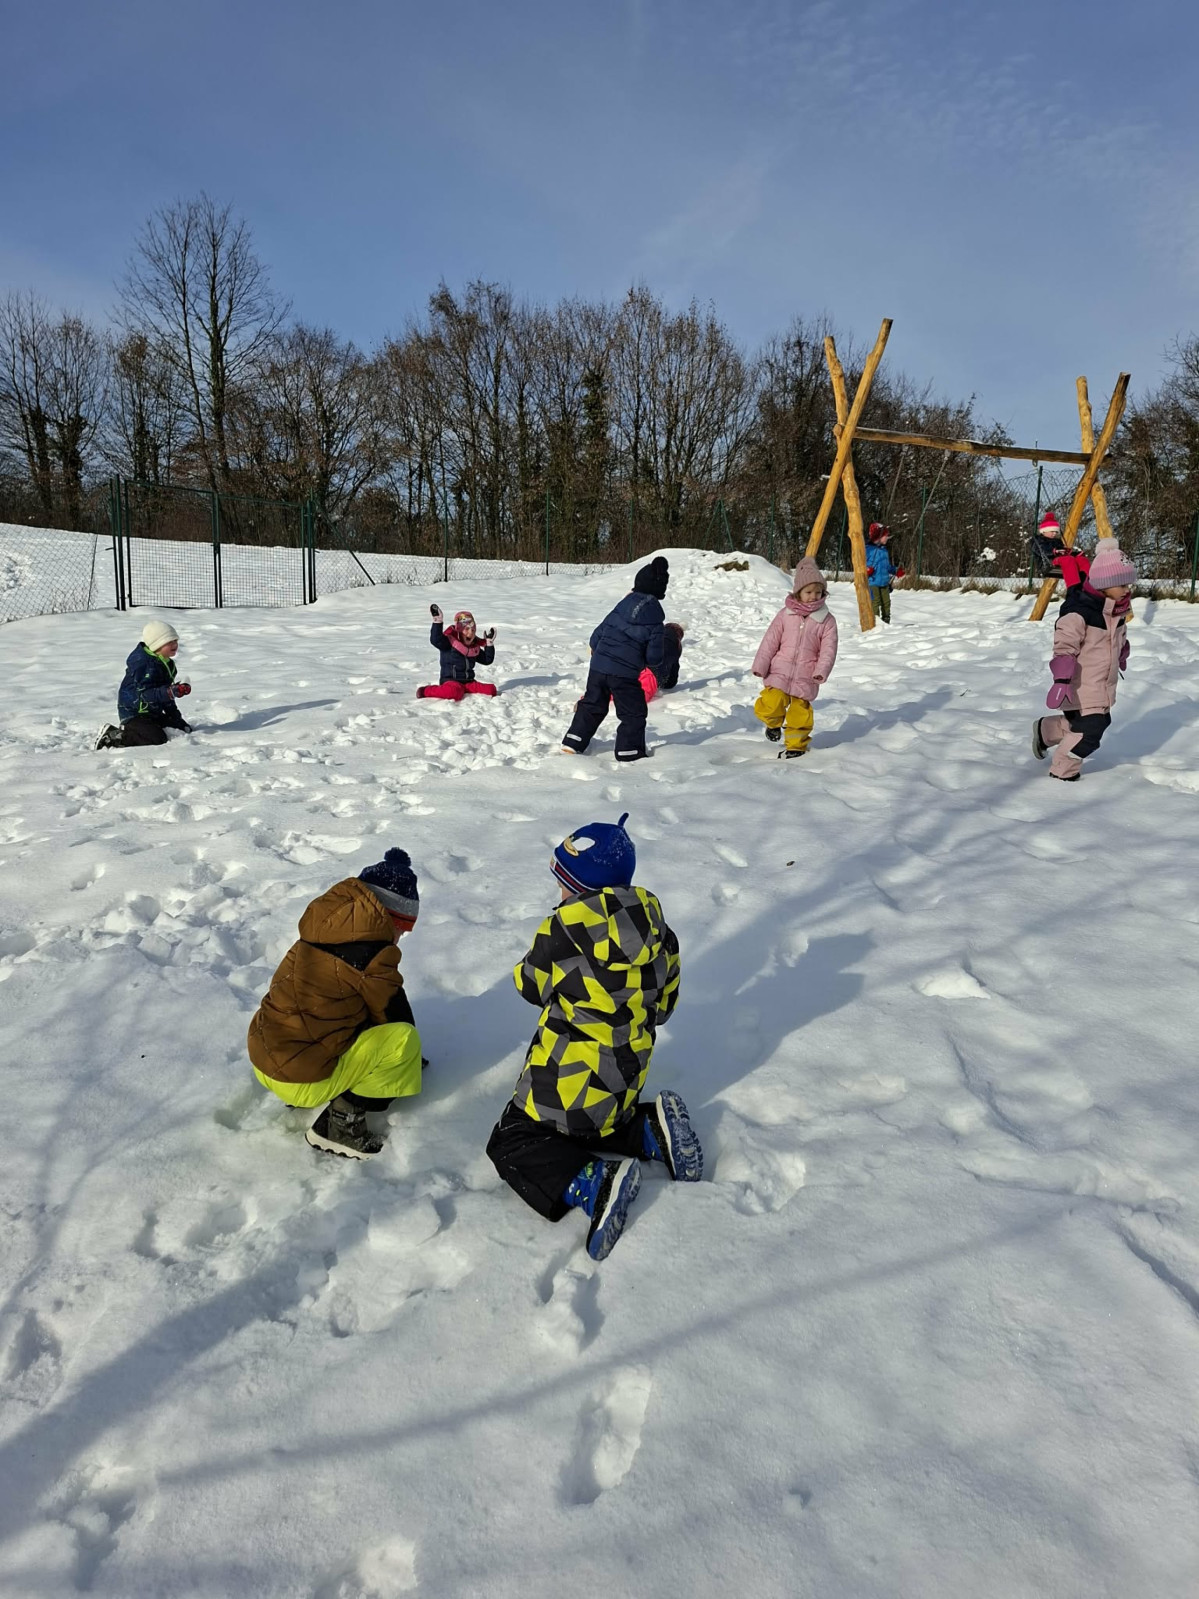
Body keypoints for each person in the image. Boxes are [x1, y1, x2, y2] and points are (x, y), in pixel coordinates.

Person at [486, 812, 701, 1260]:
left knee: (512, 1141)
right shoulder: (661, 934)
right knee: (599, 1120)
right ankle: (648, 1131)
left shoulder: (563, 932)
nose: (560, 895)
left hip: (566, 1081)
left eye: (564, 886)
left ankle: (594, 1182)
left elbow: (529, 986)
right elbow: (664, 1008)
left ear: (582, 888)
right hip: (625, 1080)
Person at [247, 848, 424, 1158]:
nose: (400, 937)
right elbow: (395, 1016)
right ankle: (341, 1123)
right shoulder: (372, 955)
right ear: (388, 917)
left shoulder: (318, 933)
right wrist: (406, 1061)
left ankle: (307, 1085)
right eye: (402, 928)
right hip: (301, 1081)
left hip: (264, 1061)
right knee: (403, 1040)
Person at [1033, 536, 1135, 782]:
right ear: (1104, 584)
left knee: (1090, 722)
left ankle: (1046, 730)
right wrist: (1061, 679)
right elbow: (1064, 645)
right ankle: (1062, 772)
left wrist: (1122, 651)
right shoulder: (1079, 612)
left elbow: (1117, 638)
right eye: (1122, 584)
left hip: (1101, 684)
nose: (1127, 589)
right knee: (1089, 731)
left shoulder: (1116, 610)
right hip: (1080, 684)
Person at [561, 556, 669, 761]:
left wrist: (599, 652)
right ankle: (629, 750)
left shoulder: (619, 608)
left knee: (592, 704)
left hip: (598, 668)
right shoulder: (655, 621)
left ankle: (573, 741)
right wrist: (645, 662)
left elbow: (596, 636)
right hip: (625, 675)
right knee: (632, 712)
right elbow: (654, 657)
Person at [751, 556, 839, 758]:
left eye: (818, 592)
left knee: (801, 714)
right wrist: (760, 665)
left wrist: (821, 671)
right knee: (772, 702)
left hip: (806, 675)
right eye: (808, 592)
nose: (813, 596)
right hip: (779, 669)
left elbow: (829, 649)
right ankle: (773, 724)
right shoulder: (785, 614)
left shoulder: (826, 620)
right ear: (798, 593)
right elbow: (770, 640)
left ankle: (796, 746)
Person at [95, 619, 192, 748]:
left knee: (179, 728)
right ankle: (114, 737)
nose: (175, 644)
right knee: (157, 738)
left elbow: (165, 695)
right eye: (169, 642)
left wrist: (175, 718)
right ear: (157, 644)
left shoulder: (167, 664)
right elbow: (146, 694)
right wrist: (169, 692)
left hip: (152, 712)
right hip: (134, 713)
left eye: (175, 640)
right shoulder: (144, 664)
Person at [417, 606, 497, 700]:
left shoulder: (474, 647)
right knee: (454, 692)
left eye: (473, 630)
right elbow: (436, 640)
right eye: (466, 629)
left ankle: (463, 689)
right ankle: (425, 691)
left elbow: (487, 660)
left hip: (469, 682)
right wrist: (437, 621)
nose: (470, 633)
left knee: (491, 690)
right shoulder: (449, 642)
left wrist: (489, 644)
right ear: (459, 630)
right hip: (451, 682)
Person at [865, 523, 902, 623]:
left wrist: (895, 570)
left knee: (886, 603)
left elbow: (886, 566)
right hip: (872, 582)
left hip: (885, 582)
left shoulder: (884, 551)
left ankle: (886, 622)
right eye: (885, 536)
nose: (887, 538)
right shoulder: (868, 550)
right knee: (875, 602)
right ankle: (875, 623)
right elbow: (861, 564)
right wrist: (866, 570)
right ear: (878, 536)